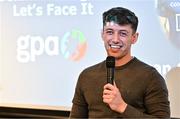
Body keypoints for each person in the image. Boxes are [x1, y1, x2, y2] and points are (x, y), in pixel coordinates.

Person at [70, 7, 170, 118]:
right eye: (110, 32)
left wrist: (122, 107)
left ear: (134, 38)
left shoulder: (150, 77)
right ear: (102, 34)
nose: (115, 39)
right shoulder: (87, 76)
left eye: (123, 33)